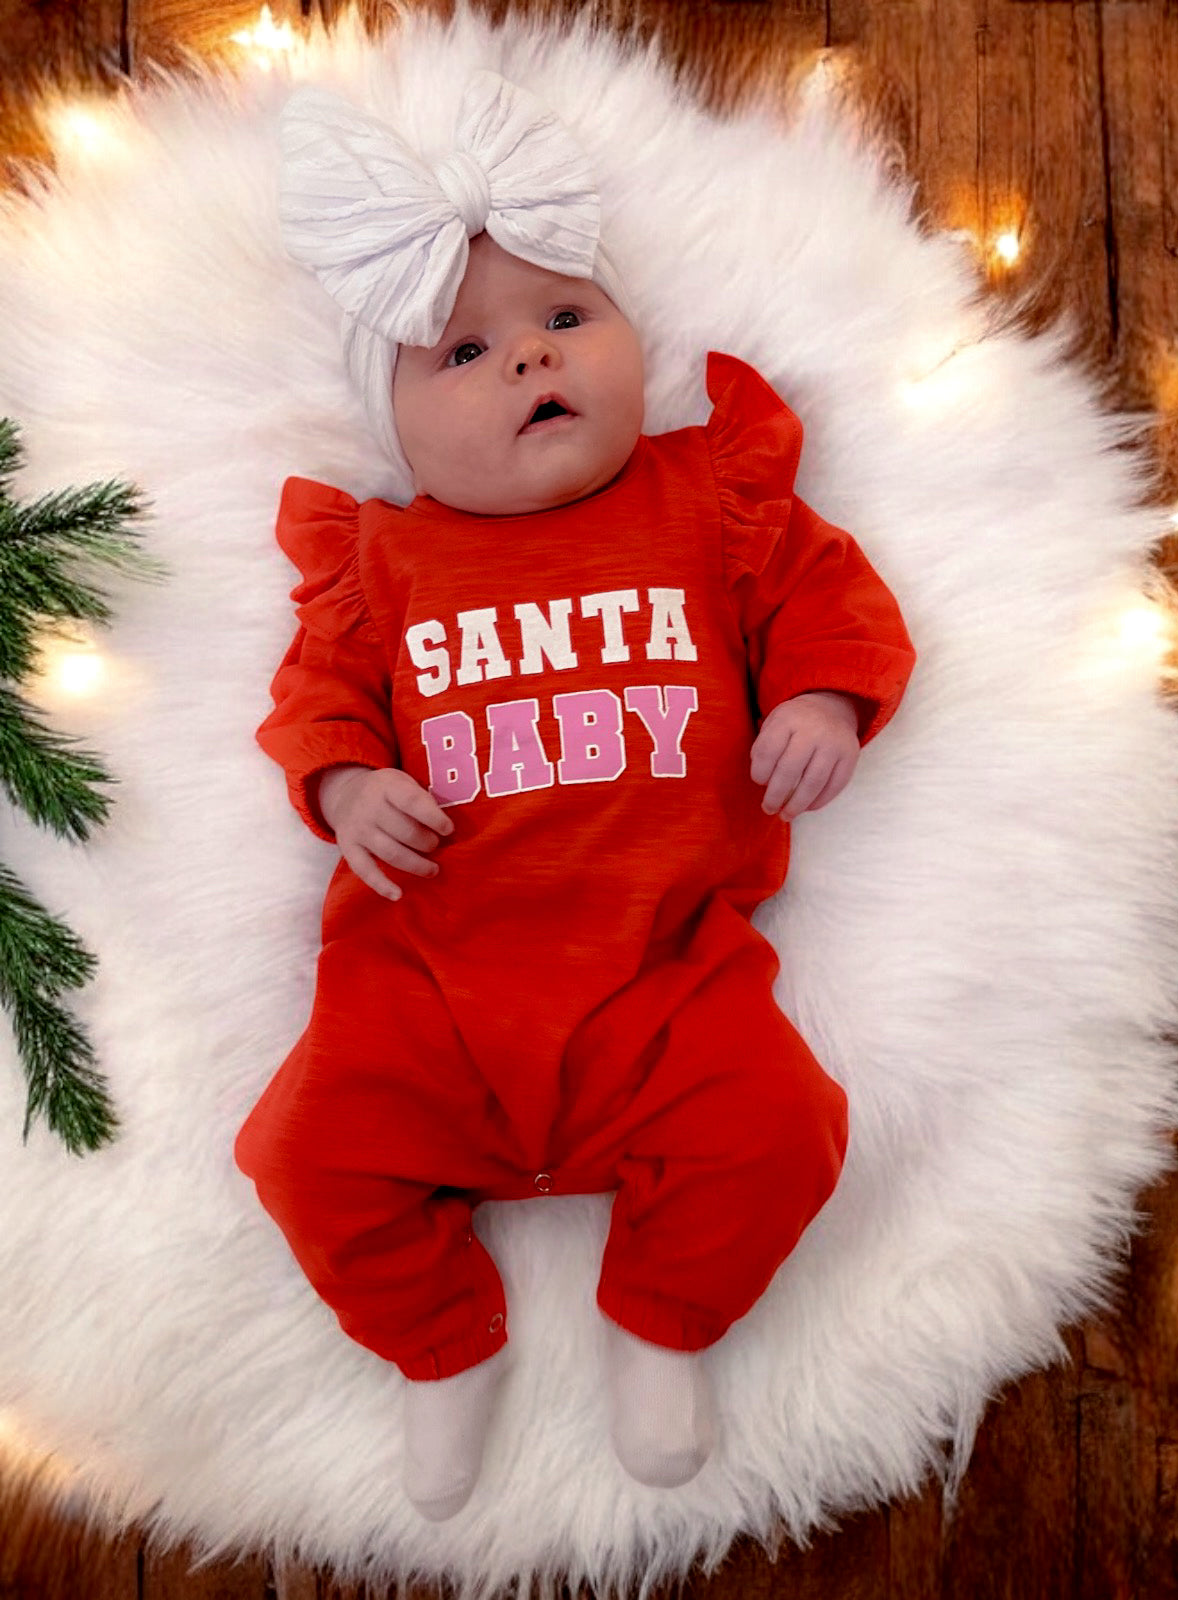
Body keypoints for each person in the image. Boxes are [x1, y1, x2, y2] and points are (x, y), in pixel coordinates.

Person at [234, 71, 917, 1522]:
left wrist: (818, 696)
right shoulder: (388, 564)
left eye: (563, 319)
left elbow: (824, 592)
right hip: (424, 988)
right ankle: (437, 1344)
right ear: (401, 427)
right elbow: (317, 701)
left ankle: (661, 1319)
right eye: (465, 350)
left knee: (785, 1125)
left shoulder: (704, 501)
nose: (529, 363)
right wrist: (349, 784)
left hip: (666, 972)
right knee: (300, 1154)